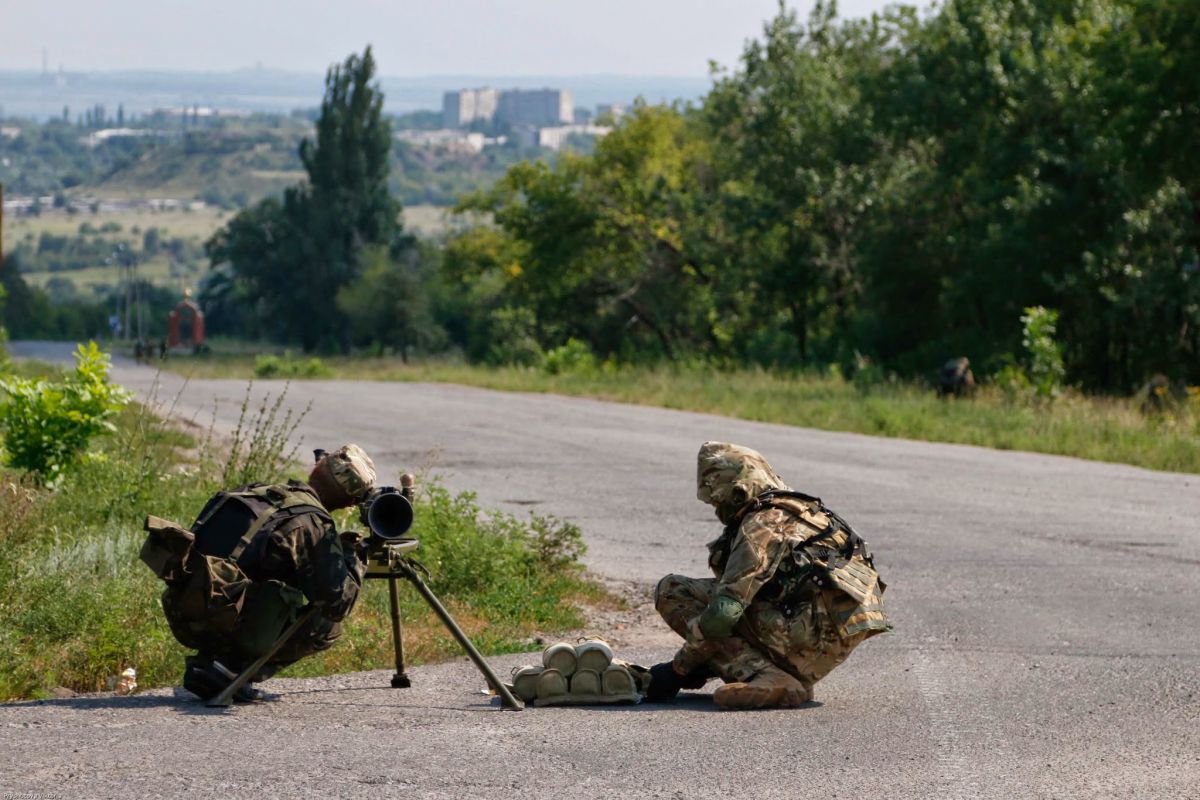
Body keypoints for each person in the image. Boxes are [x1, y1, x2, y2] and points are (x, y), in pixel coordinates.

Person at [647, 442, 891, 710]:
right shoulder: (806, 512)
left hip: (807, 634)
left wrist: (677, 670)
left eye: (717, 500)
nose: (718, 511)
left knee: (673, 590)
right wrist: (701, 667)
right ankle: (788, 675)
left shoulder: (762, 523)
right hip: (828, 638)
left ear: (738, 492)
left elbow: (722, 615)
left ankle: (768, 676)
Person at [142, 445, 376, 702]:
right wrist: (353, 555)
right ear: (350, 503)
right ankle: (232, 669)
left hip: (185, 613)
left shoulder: (250, 492)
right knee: (327, 625)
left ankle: (213, 660)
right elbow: (337, 604)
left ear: (315, 469)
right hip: (227, 623)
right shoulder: (311, 524)